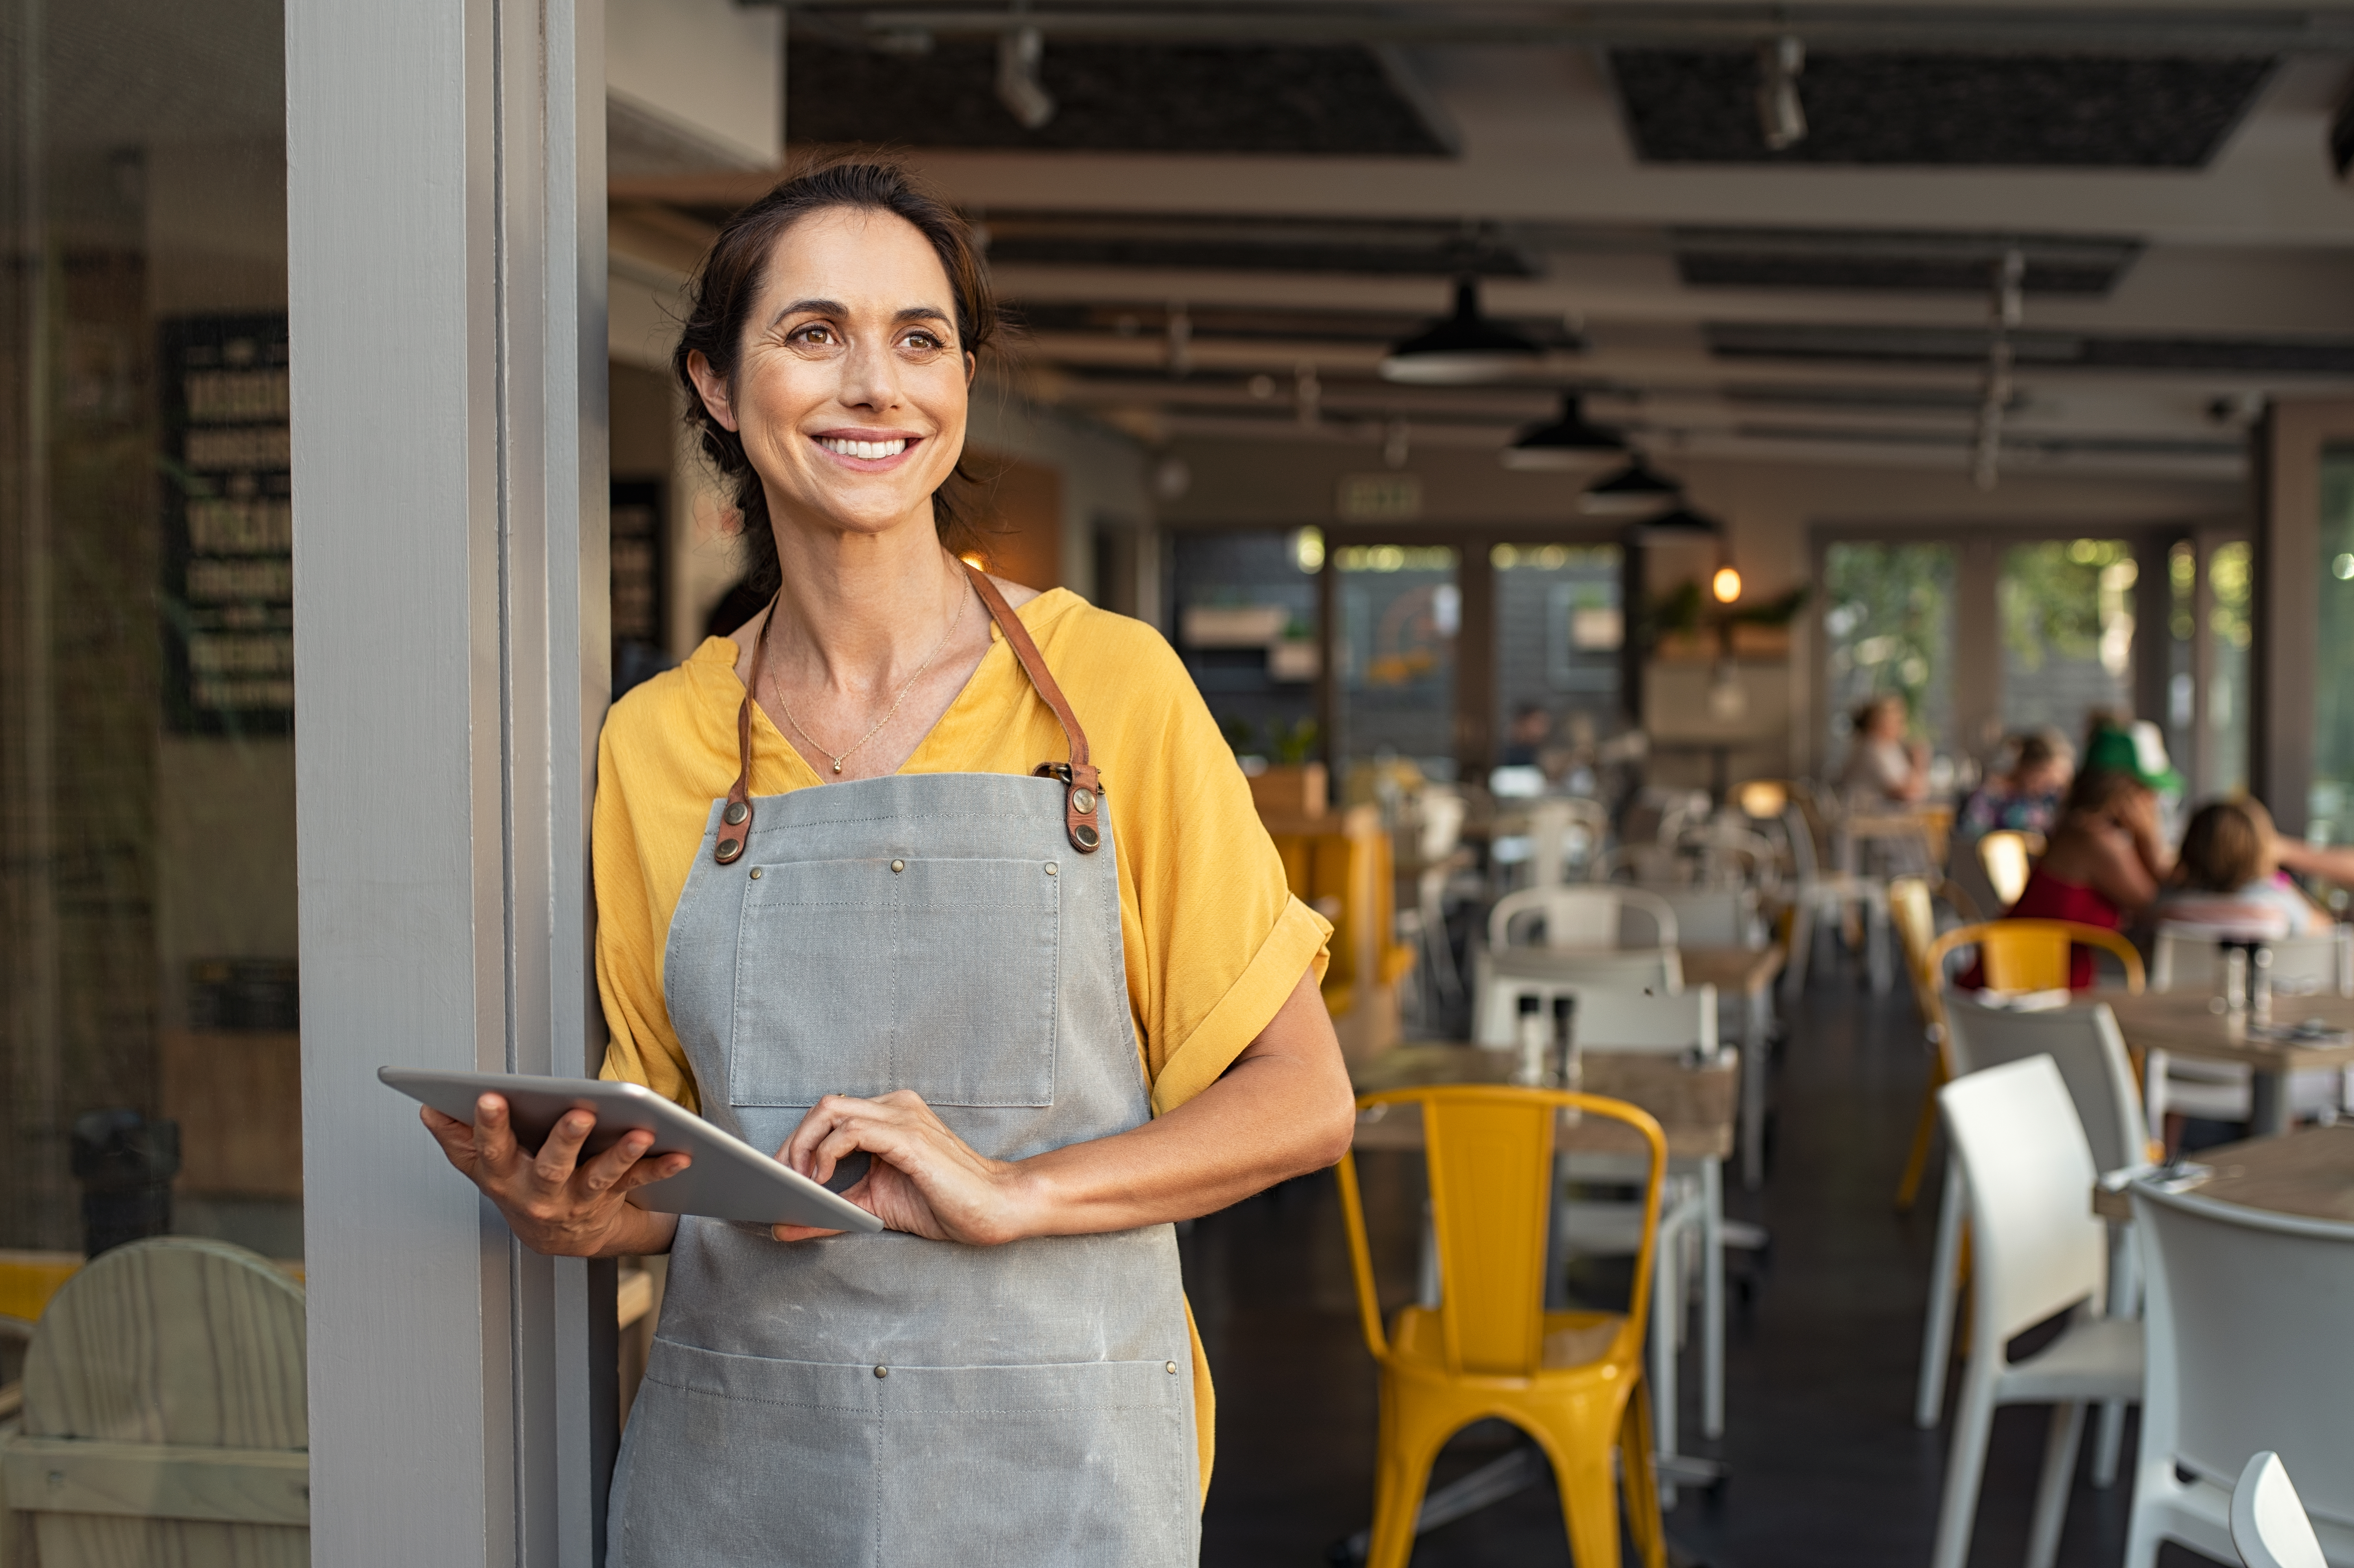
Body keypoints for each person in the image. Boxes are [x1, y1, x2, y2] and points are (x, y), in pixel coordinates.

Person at [415, 161, 1357, 1565]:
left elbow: (1304, 1101)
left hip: (1065, 1476)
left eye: (920, 339)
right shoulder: (657, 743)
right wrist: (581, 1217)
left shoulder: (1112, 691)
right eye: (813, 335)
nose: (876, 385)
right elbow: (673, 1168)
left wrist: (1019, 1192)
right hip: (745, 1477)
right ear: (719, 388)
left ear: (961, 381)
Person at [2005, 759, 2174, 986]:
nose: (2155, 804)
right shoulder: (2095, 840)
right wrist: (2149, 836)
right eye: (2149, 794)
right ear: (2125, 795)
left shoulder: (2079, 828)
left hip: (2039, 981)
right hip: (2025, 987)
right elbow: (2156, 906)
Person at [2157, 797, 2317, 937]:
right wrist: (2281, 882)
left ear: (2189, 848)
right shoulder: (2279, 903)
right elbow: (2324, 932)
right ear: (2261, 853)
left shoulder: (2169, 907)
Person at [1954, 728, 2072, 841]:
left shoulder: (2045, 800)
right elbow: (1970, 838)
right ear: (2030, 769)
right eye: (2047, 780)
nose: (2048, 788)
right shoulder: (1990, 797)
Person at [1837, 694, 1929, 805]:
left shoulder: (1890, 747)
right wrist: (1919, 763)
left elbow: (1915, 789)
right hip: (1861, 816)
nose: (1902, 726)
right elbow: (1904, 794)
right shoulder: (1870, 748)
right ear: (1879, 722)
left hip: (1879, 815)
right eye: (1896, 720)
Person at [1500, 702, 1552, 767]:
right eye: (1538, 723)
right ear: (1522, 721)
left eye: (1545, 725)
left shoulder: (1535, 753)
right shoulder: (1501, 754)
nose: (1544, 731)